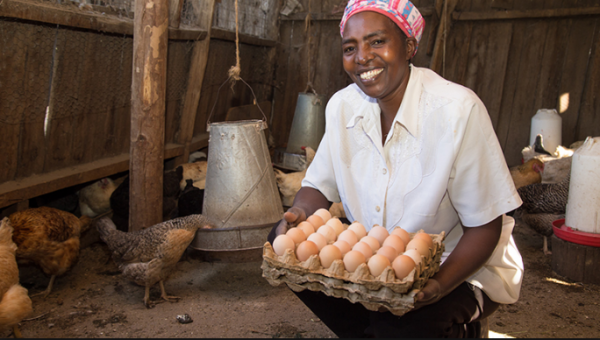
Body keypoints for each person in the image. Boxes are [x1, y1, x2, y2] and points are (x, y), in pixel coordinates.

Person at [268, 0, 524, 337]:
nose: (362, 57)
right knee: (284, 245)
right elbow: (318, 187)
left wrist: (439, 286)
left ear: (409, 46)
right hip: (378, 266)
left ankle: (459, 330)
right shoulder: (343, 107)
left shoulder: (457, 111)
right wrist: (300, 212)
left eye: (377, 41)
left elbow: (485, 228)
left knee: (405, 322)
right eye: (350, 47)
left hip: (458, 266)